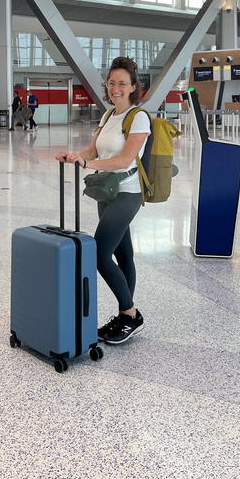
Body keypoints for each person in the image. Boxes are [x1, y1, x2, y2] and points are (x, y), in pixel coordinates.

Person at [55, 56, 151, 345]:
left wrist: (89, 165)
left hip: (128, 192)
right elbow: (93, 150)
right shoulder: (109, 116)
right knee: (123, 254)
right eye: (112, 83)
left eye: (122, 83)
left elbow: (123, 160)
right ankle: (125, 317)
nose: (116, 88)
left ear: (134, 87)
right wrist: (76, 157)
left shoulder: (139, 118)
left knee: (99, 253)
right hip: (106, 191)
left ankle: (131, 314)